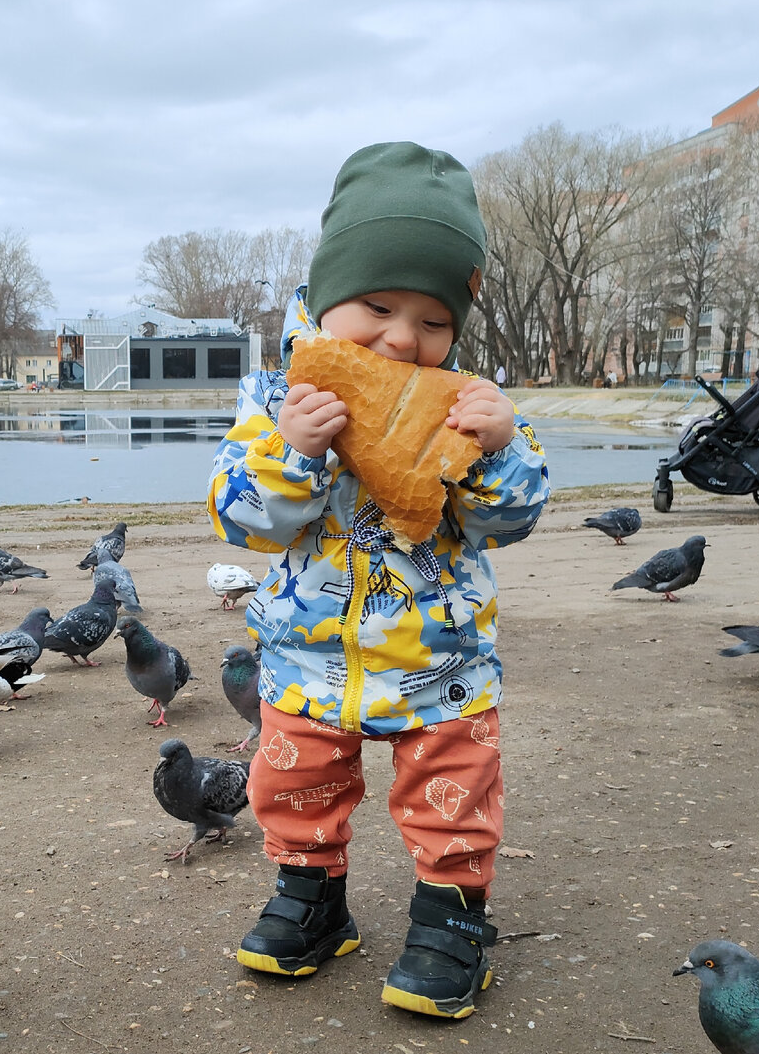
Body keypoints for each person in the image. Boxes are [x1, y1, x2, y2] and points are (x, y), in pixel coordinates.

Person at [208, 142, 549, 1020]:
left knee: (451, 793)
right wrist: (295, 452)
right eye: (378, 305)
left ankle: (451, 915)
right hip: (305, 659)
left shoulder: (472, 403)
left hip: (441, 662)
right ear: (326, 299)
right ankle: (312, 898)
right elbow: (241, 518)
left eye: (433, 320)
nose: (403, 337)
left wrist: (499, 450)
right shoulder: (272, 397)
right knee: (292, 786)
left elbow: (510, 523)